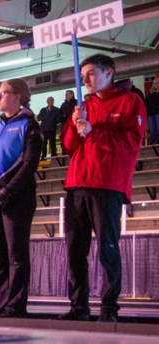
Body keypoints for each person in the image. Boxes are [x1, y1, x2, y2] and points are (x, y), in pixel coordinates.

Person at [60, 54, 147, 322]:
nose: (84, 79)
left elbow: (131, 143)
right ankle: (79, 306)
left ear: (109, 73)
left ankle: (109, 308)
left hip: (107, 185)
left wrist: (92, 131)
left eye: (91, 73)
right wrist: (76, 125)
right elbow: (68, 145)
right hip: (77, 184)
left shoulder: (130, 101)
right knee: (75, 249)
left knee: (108, 248)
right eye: (82, 75)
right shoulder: (83, 105)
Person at [0, 78, 42, 318]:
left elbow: (29, 164)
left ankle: (15, 306)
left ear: (18, 97)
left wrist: (5, 193)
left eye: (2, 93)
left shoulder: (29, 125)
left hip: (17, 199)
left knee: (16, 255)